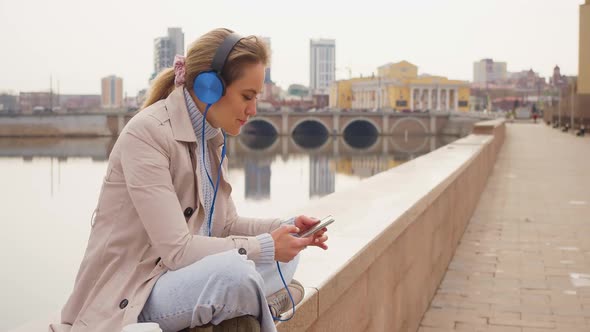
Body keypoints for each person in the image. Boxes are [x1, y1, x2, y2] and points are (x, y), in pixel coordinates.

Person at [49, 28, 329, 332]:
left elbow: (225, 226)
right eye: (247, 96)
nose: (253, 110)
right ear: (209, 87)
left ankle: (248, 304)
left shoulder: (210, 137)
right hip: (135, 294)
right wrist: (266, 246)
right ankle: (256, 305)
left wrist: (282, 228)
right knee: (235, 275)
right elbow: (178, 250)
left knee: (287, 257)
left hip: (182, 277)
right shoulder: (147, 134)